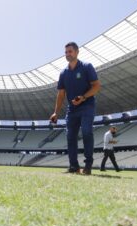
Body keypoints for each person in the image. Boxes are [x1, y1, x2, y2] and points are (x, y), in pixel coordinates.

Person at [49, 42, 100, 175]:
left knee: (87, 132)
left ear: (77, 52)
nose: (67, 54)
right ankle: (74, 166)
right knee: (70, 136)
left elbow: (96, 86)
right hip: (72, 109)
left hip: (87, 105)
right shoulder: (63, 73)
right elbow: (61, 94)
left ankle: (88, 165)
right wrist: (56, 112)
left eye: (70, 51)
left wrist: (83, 97)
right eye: (66, 52)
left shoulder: (87, 67)